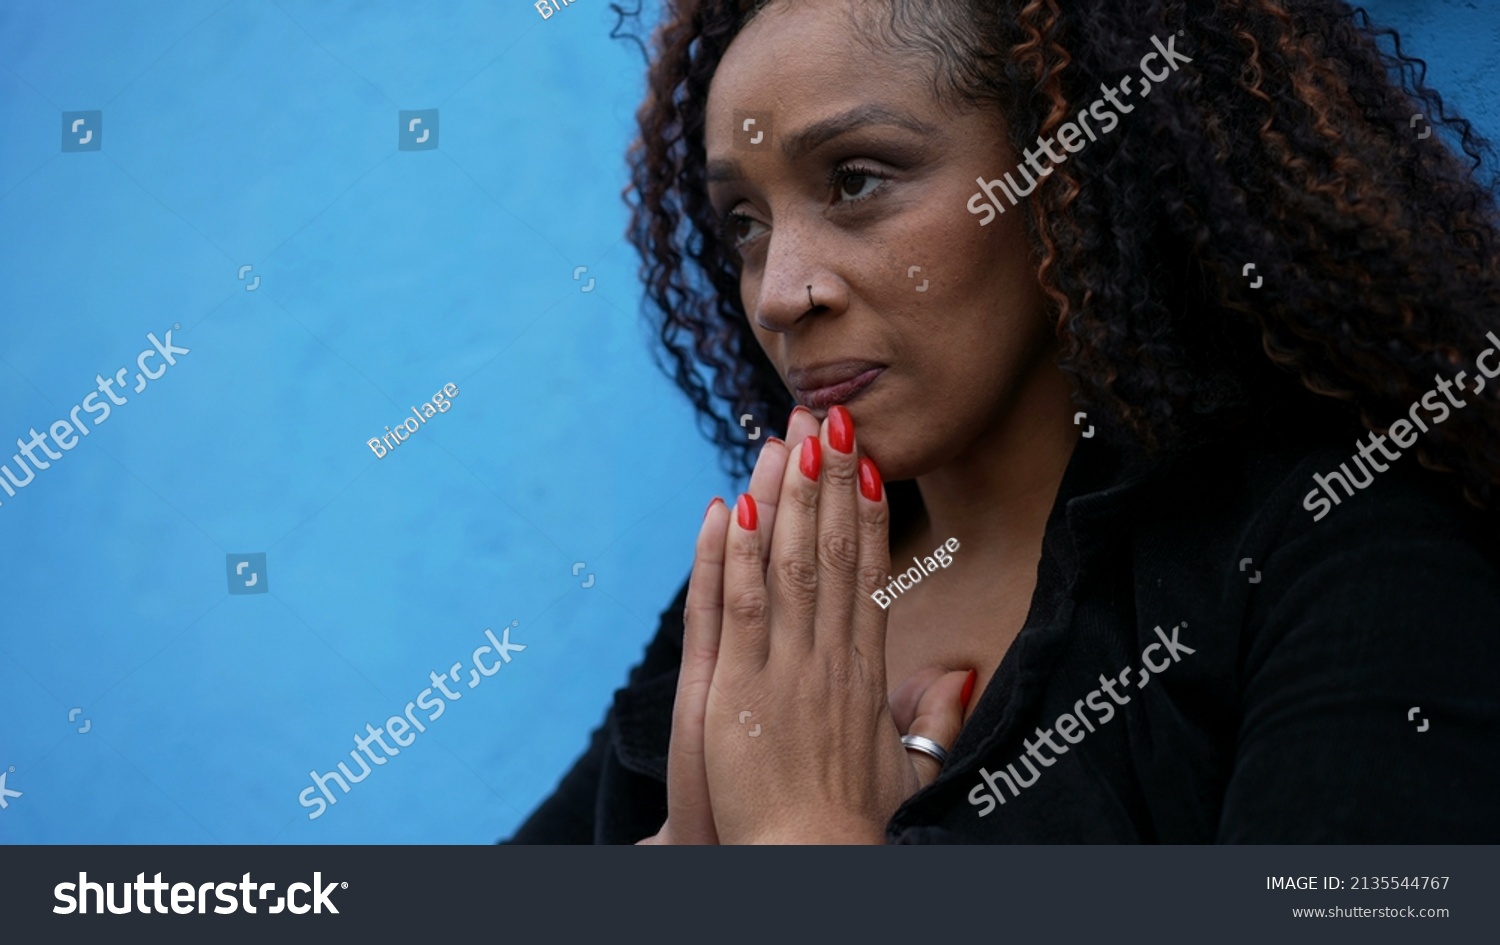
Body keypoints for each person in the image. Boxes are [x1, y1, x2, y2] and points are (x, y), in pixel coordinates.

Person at [506, 0, 1500, 843]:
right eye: (744, 224)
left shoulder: (1340, 543)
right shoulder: (779, 583)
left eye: (855, 179)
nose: (779, 293)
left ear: (1065, 170)